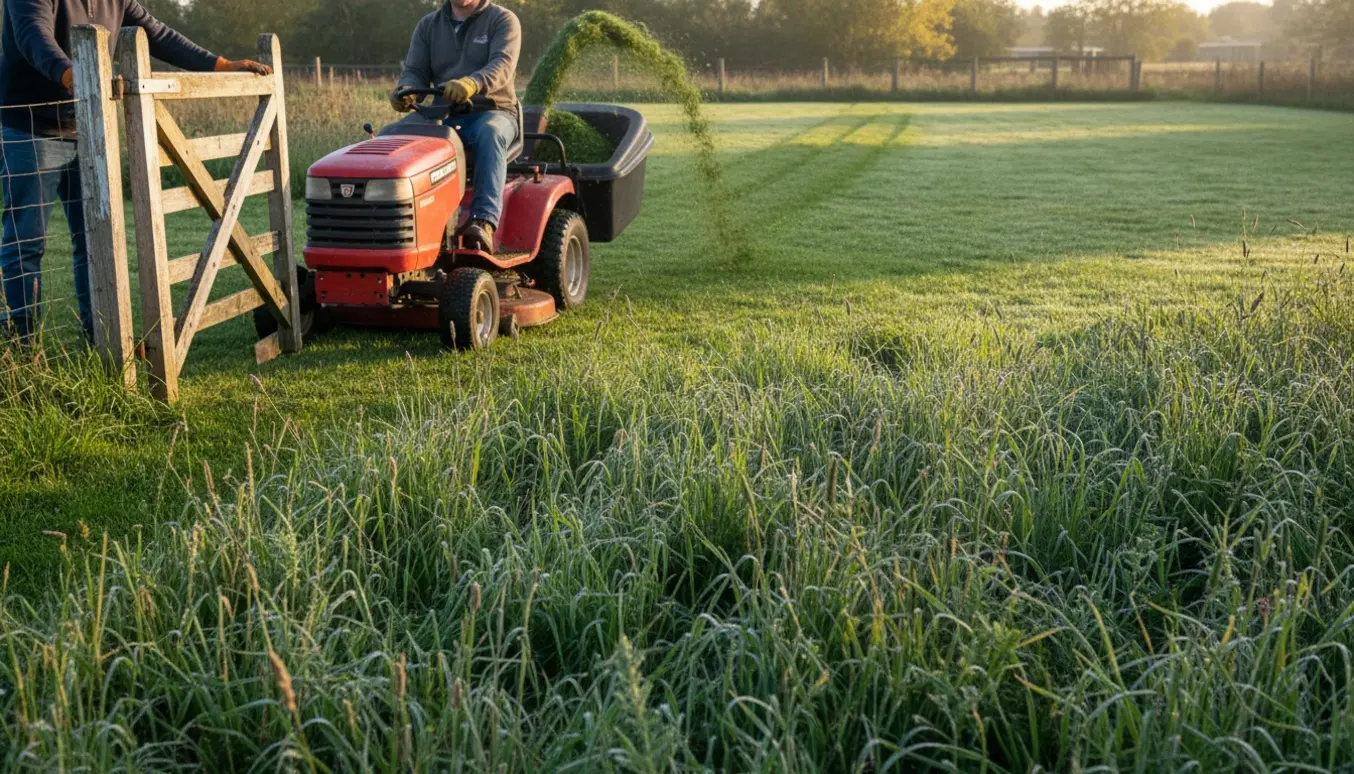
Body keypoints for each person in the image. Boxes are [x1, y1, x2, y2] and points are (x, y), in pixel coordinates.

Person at [0, 0, 270, 343]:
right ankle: (21, 348)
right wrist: (74, 75)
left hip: (89, 125)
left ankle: (99, 340)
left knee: (93, 241)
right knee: (25, 243)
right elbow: (33, 36)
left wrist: (219, 65)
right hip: (31, 129)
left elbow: (158, 35)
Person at [392, 0, 521, 253]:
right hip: (442, 114)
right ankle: (396, 221)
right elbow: (416, 71)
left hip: (492, 111)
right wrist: (405, 91)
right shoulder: (428, 26)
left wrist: (472, 84)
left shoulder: (503, 21)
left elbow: (502, 67)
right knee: (391, 135)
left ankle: (483, 222)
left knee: (490, 134)